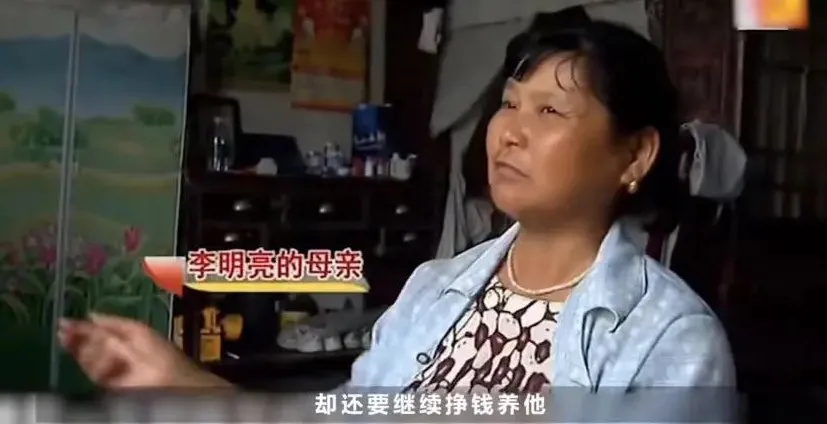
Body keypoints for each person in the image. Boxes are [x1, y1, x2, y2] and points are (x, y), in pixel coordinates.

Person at [60, 20, 735, 411]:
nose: (508, 132)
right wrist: (186, 385)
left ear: (635, 153)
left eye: (550, 110)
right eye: (508, 103)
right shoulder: (434, 290)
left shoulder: (671, 341)